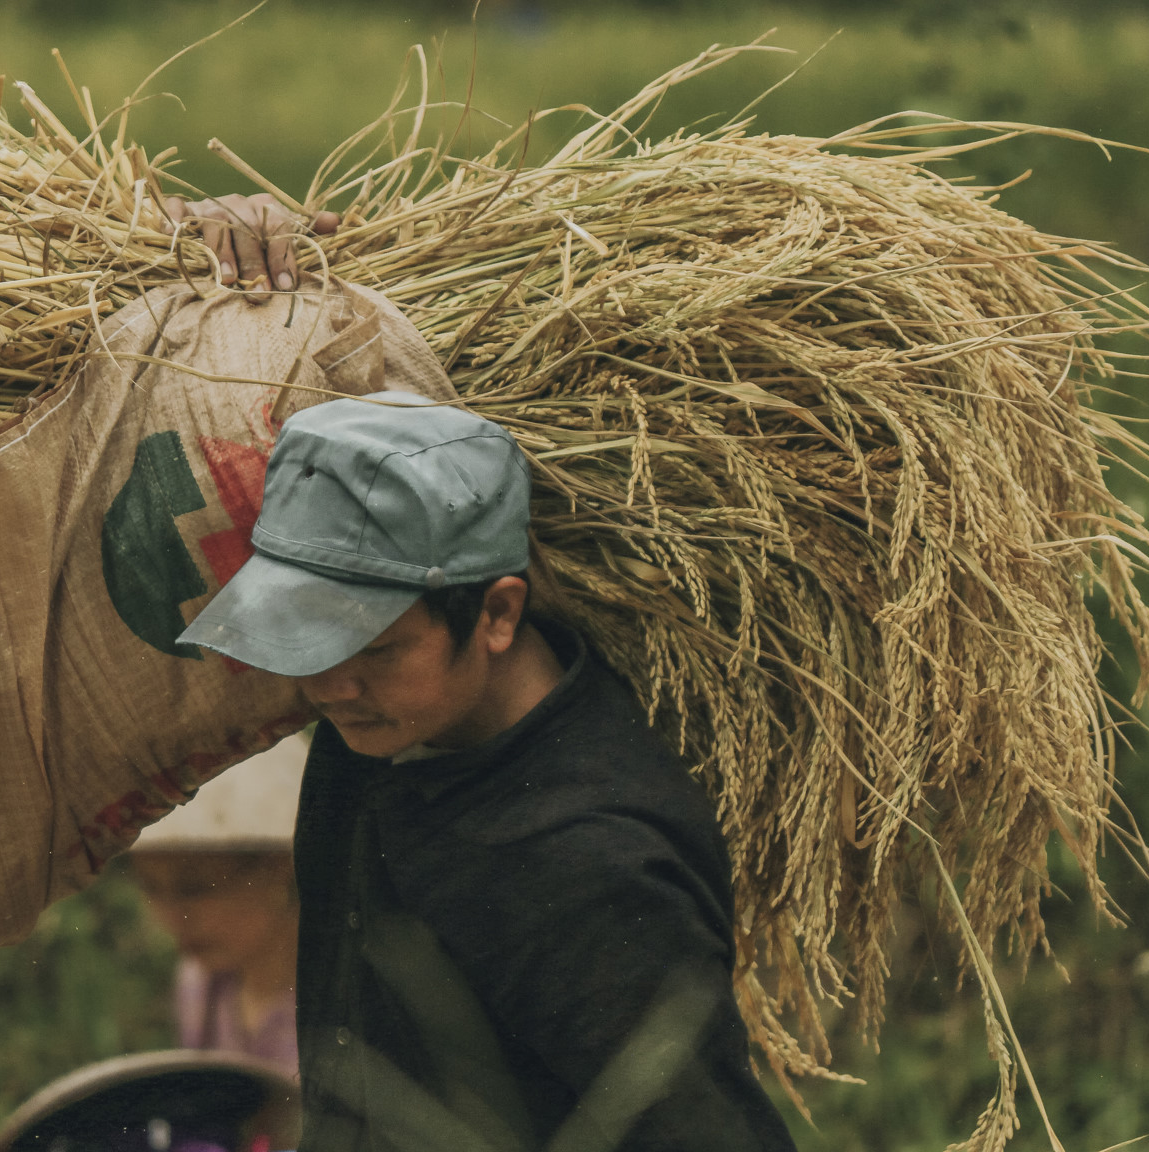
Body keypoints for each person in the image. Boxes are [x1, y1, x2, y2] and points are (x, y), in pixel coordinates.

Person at [169, 392, 799, 1151]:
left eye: (373, 647)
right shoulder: (383, 724)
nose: (329, 686)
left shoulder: (584, 867)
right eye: (305, 639)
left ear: (498, 614)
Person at [129, 733, 310, 1076]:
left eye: (195, 889)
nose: (172, 917)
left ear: (280, 868)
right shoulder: (201, 987)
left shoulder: (344, 998)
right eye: (152, 889)